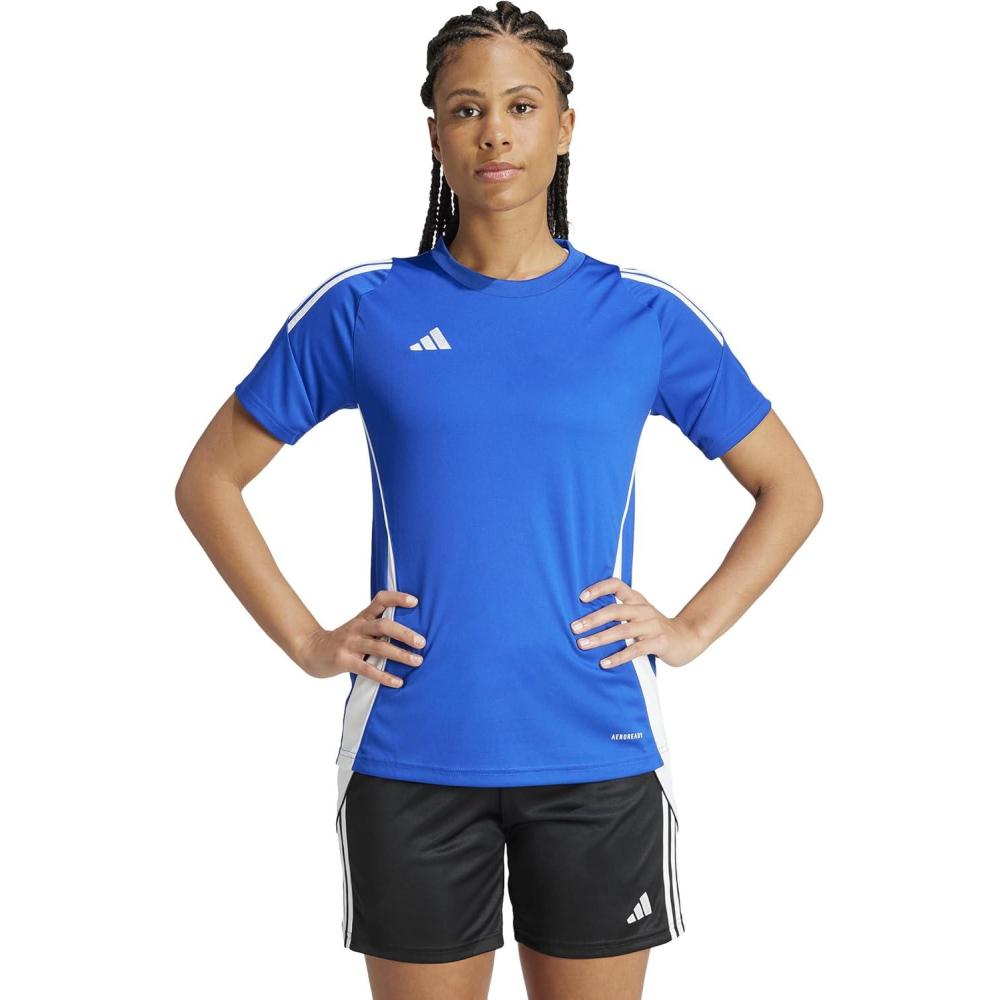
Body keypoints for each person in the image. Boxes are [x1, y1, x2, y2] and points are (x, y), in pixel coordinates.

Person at [175, 4, 822, 998]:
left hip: (596, 745)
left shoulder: (641, 317)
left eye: (522, 106)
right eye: (466, 108)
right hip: (411, 751)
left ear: (565, 127)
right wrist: (308, 641)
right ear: (434, 132)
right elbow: (209, 480)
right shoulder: (365, 308)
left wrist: (690, 628)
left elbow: (791, 488)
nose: (494, 132)